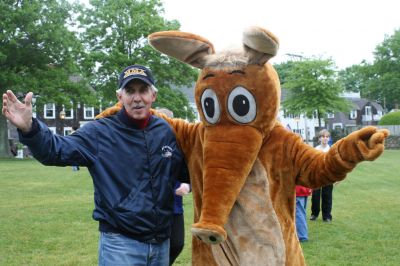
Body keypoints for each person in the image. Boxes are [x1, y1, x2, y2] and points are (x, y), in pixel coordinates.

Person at [2, 64, 189, 266]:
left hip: (161, 243)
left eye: (143, 90)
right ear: (120, 97)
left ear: (153, 96)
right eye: (130, 91)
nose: (137, 98)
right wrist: (30, 128)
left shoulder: (165, 130)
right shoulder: (100, 132)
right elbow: (56, 150)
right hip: (121, 245)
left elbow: (185, 170)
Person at [310, 129, 333, 222]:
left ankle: (326, 216)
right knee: (315, 196)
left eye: (327, 137)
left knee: (327, 196)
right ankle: (314, 214)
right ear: (319, 138)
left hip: (328, 176)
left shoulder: (331, 150)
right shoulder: (315, 149)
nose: (325, 138)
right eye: (323, 137)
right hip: (317, 175)